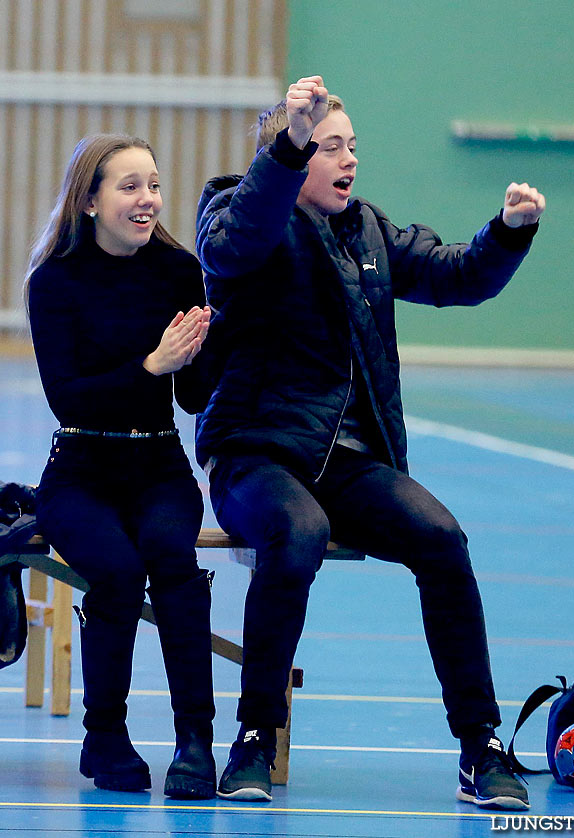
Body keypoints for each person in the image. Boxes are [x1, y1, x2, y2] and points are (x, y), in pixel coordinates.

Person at [194, 76, 545, 806]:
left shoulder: (371, 231)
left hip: (350, 461)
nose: (348, 159)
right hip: (254, 453)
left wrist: (507, 231)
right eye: (329, 147)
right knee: (299, 533)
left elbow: (455, 274)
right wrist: (290, 145)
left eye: (352, 145)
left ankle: (479, 745)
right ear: (291, 153)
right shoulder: (235, 209)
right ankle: (254, 738)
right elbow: (234, 249)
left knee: (443, 540)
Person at [26, 134, 216, 799]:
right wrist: (150, 365)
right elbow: (67, 396)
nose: (147, 200)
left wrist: (206, 353)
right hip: (80, 466)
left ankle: (197, 739)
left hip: (159, 463)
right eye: (130, 186)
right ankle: (104, 732)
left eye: (154, 186)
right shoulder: (53, 281)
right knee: (115, 569)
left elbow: (191, 395)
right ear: (91, 200)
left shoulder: (178, 270)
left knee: (173, 560)